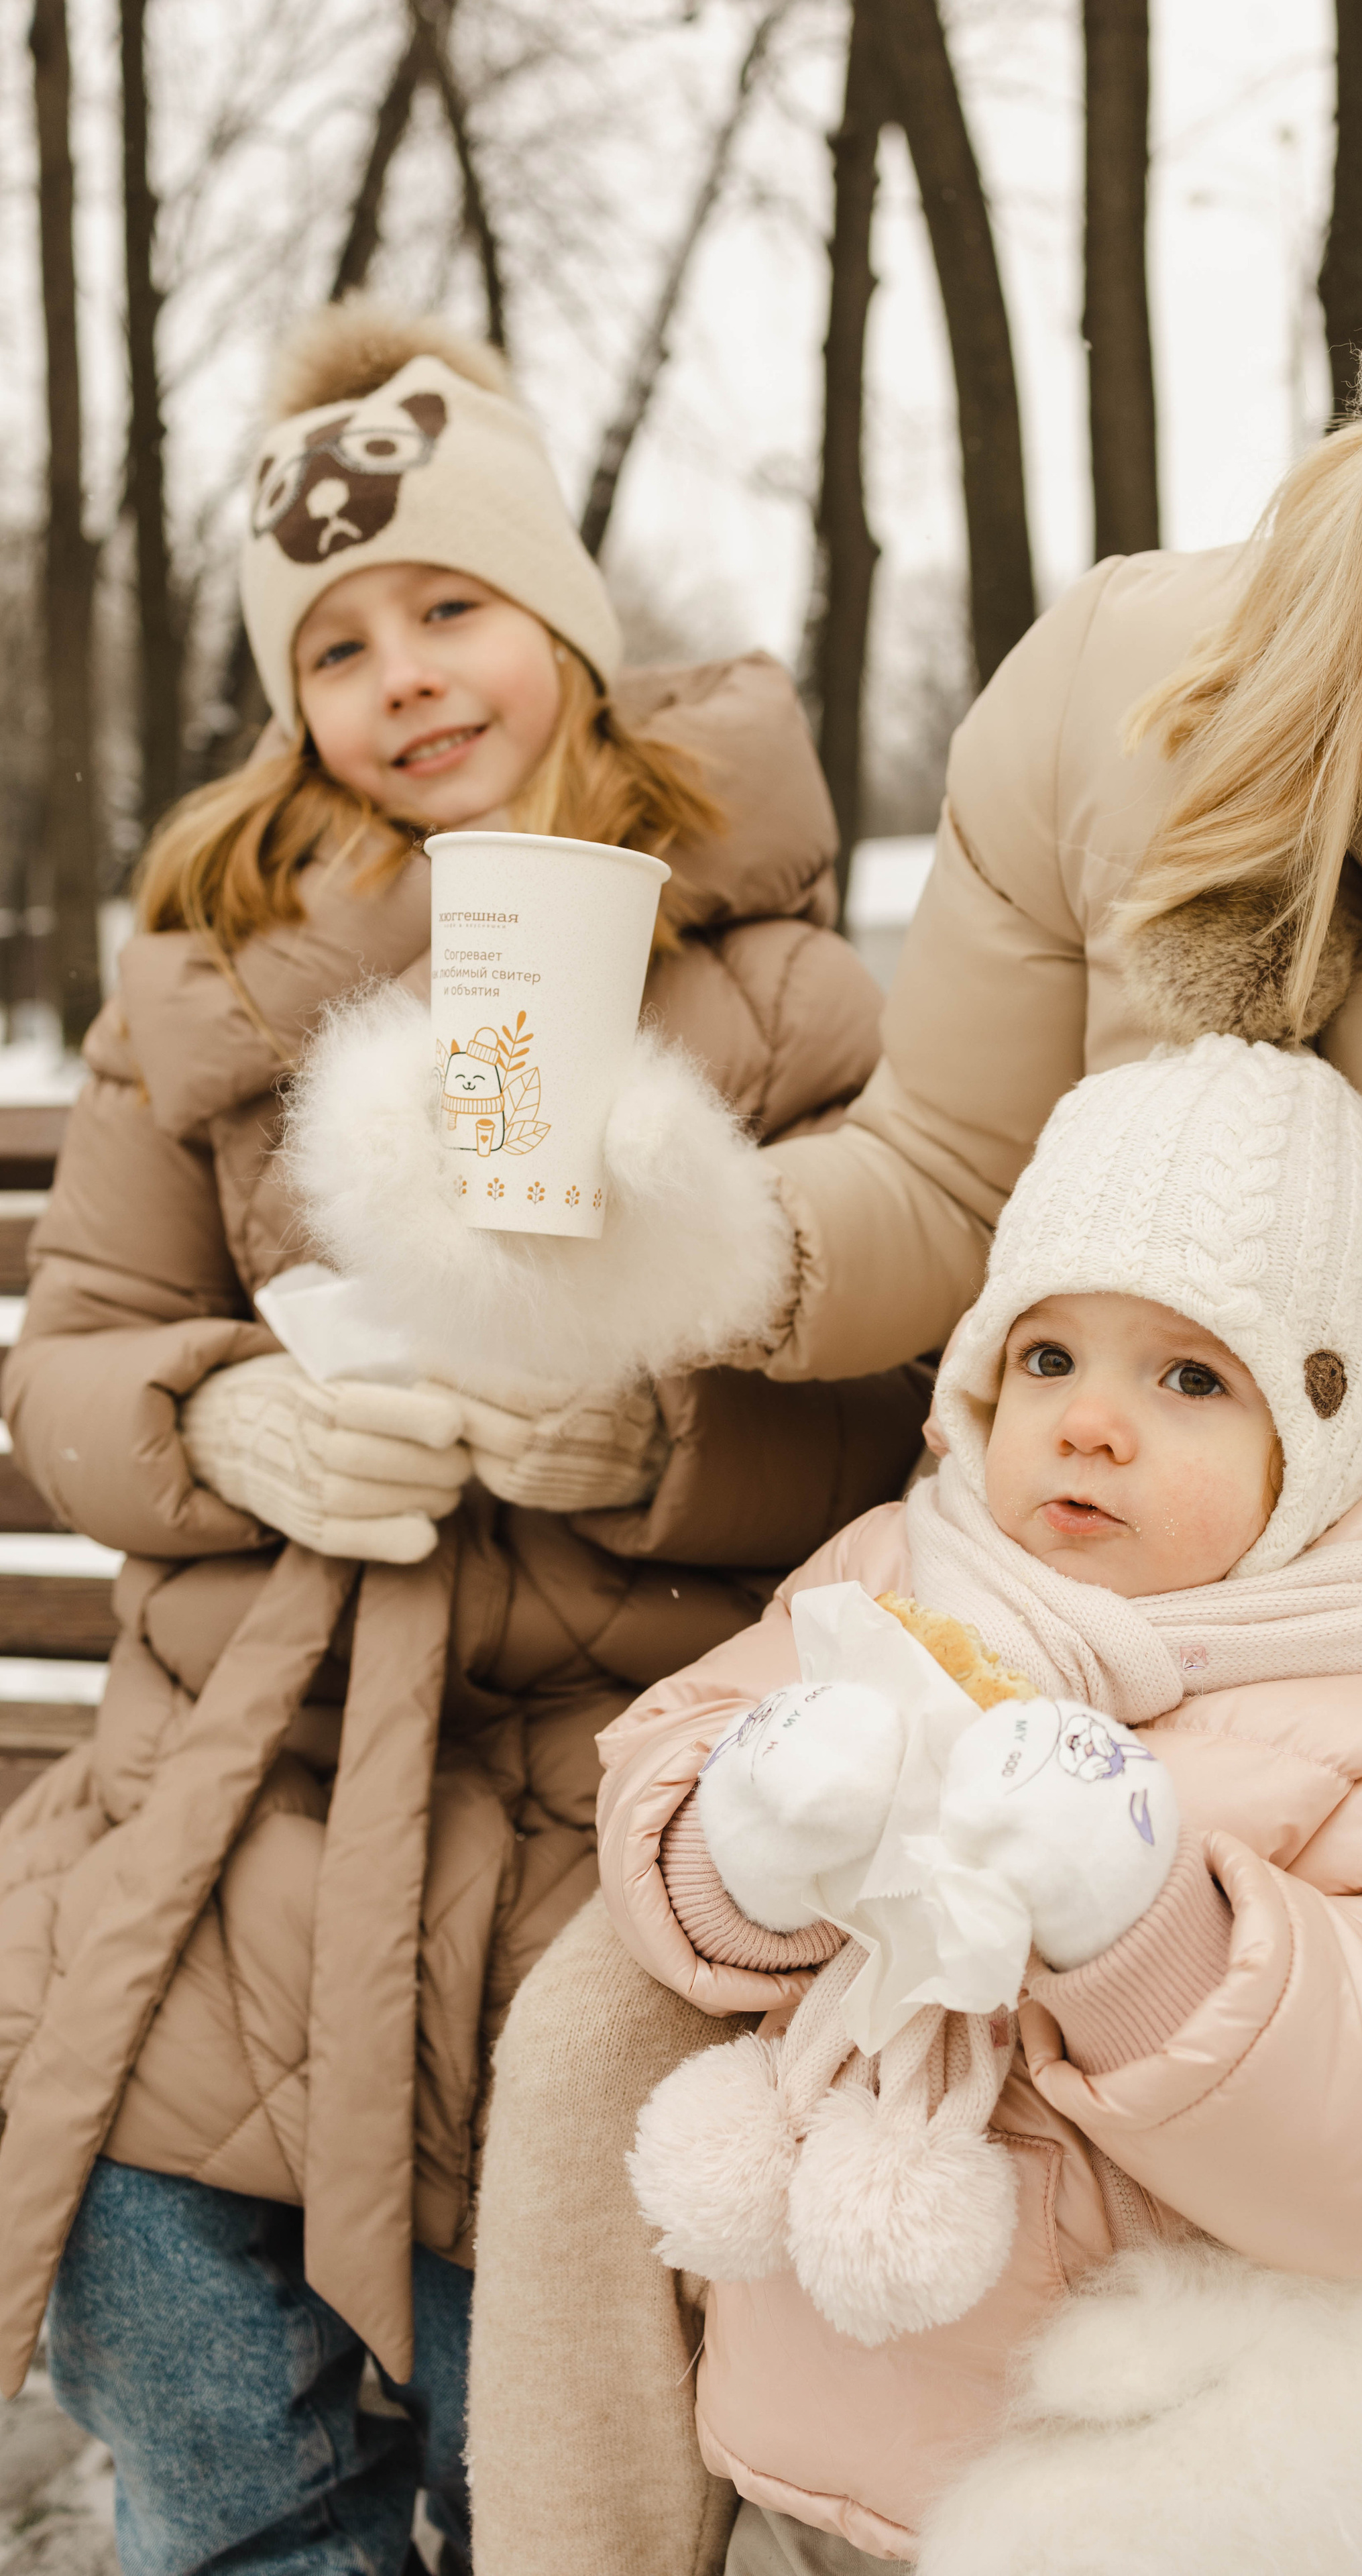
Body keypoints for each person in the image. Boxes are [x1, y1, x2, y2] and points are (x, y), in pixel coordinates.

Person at [473, 5, 1362, 2569]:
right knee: (597, 2032)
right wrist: (673, 1249)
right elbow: (956, 1175)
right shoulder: (1140, 697)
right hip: (1067, 1661)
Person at [0, 301, 926, 2576]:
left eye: (453, 604)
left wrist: (653, 1447)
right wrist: (225, 1420)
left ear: (568, 625)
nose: (403, 672)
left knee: (571, 2497)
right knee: (213, 2443)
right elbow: (79, 1355)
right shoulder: (206, 974)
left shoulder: (786, 989)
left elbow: (909, 1430)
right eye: (335, 643)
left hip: (615, 1846)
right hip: (240, 1823)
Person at [600, 1036, 1362, 2575]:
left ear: (1325, 1444)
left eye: (1188, 1376)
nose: (1087, 1422)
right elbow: (667, 1788)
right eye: (1047, 1358)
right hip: (801, 2436)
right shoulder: (899, 1574)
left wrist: (1145, 1939)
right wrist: (739, 1845)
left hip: (1131, 2496)